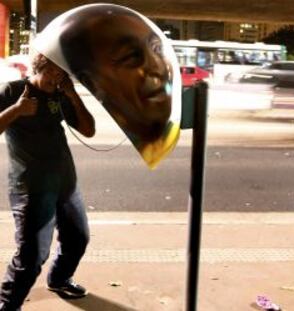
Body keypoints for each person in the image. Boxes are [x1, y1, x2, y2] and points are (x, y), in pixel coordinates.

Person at [0, 53, 95, 311]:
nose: (58, 77)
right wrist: (16, 111)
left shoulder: (62, 96)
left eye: (62, 72)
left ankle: (60, 278)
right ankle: (8, 304)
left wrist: (74, 96)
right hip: (31, 187)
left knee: (78, 238)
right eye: (53, 70)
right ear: (39, 66)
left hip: (66, 183)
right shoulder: (13, 90)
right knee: (32, 257)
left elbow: (89, 130)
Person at [54, 4, 180, 168]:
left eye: (156, 48)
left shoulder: (162, 139)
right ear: (92, 82)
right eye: (130, 56)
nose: (157, 67)